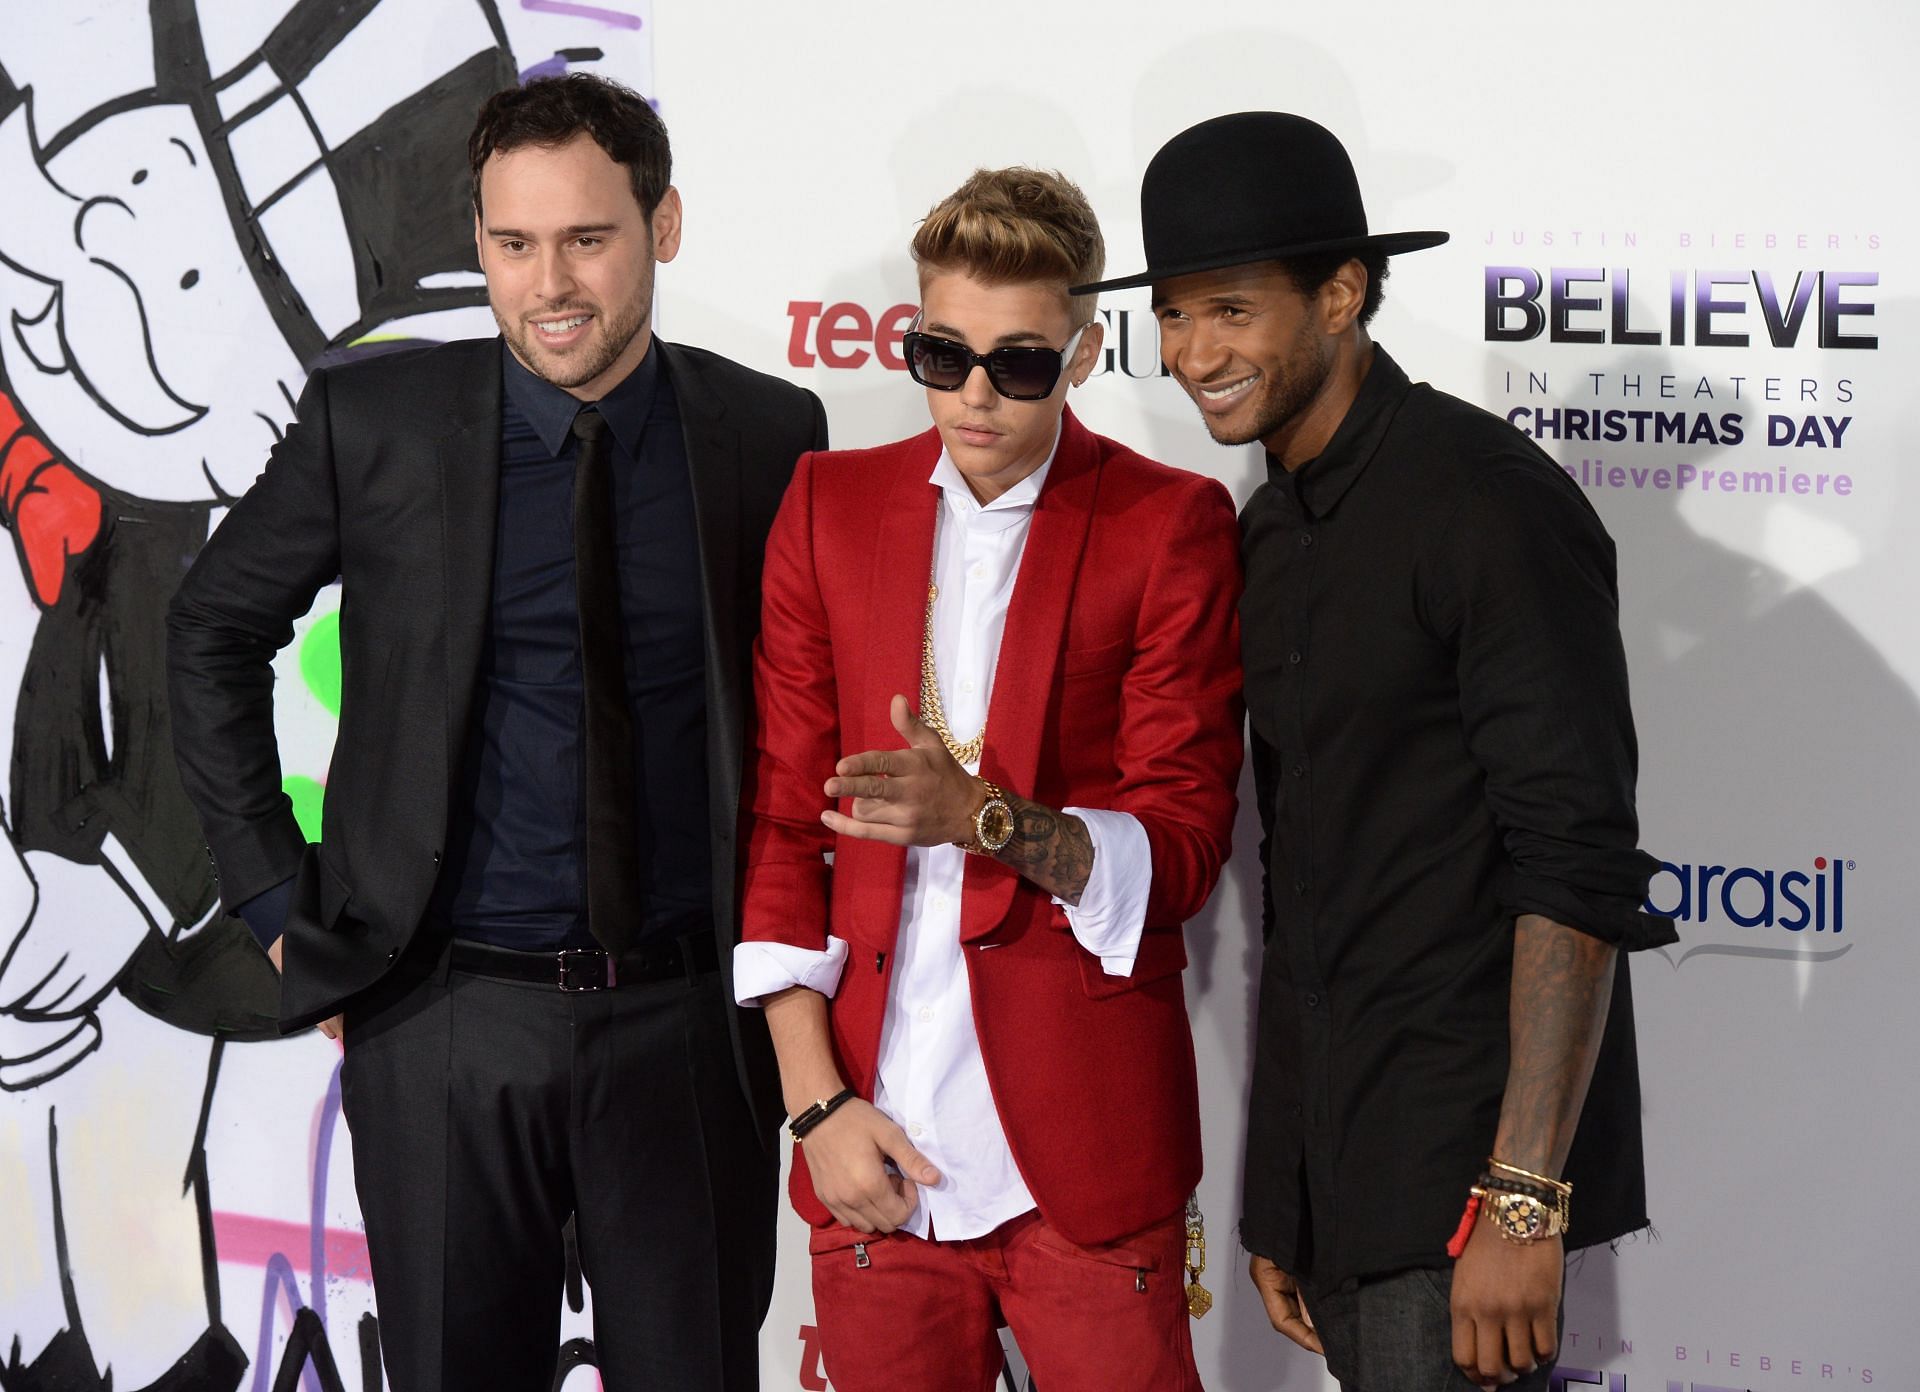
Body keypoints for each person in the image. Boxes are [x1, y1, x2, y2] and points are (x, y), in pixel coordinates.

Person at [165, 74, 824, 1392]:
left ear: (664, 226)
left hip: (688, 1025)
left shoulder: (767, 432)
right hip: (442, 1017)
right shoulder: (377, 425)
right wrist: (276, 904)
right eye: (512, 245)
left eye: (587, 238)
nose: (548, 283)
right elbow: (208, 634)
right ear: (478, 243)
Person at [1076, 112, 1676, 1392]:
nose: (1192, 355)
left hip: (1463, 1193)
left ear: (1341, 294)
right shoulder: (1268, 526)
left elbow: (1574, 868)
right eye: (1174, 316)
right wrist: (1290, 1187)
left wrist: (1524, 1201)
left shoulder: (1487, 504)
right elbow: (1312, 886)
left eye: (1229, 310)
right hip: (1340, 1179)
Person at [736, 167, 1242, 1392]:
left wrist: (986, 819)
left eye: (1017, 364)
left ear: (1081, 354)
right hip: (872, 1150)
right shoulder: (828, 505)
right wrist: (815, 1111)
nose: (973, 394)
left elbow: (1180, 850)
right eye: (941, 353)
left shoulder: (1167, 524)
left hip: (1083, 1152)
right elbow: (779, 826)